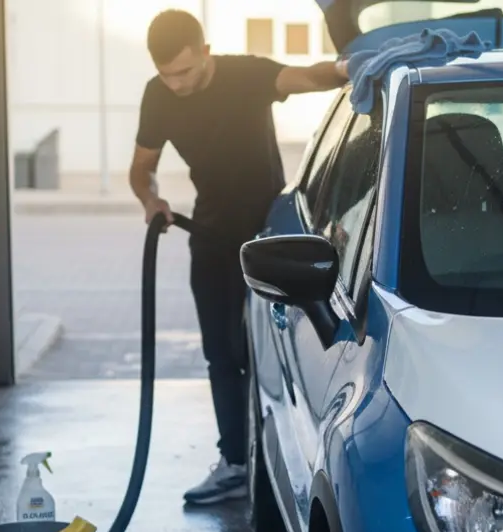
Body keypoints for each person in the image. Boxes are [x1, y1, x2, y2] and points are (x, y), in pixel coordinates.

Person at [130, 10, 350, 505]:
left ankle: (284, 455)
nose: (177, 84)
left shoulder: (246, 75)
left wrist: (348, 69)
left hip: (270, 238)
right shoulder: (158, 95)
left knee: (271, 350)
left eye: (185, 72)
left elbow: (307, 77)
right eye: (167, 75)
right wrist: (151, 199)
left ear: (205, 52)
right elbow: (141, 168)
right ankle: (234, 462)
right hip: (210, 235)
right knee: (221, 354)